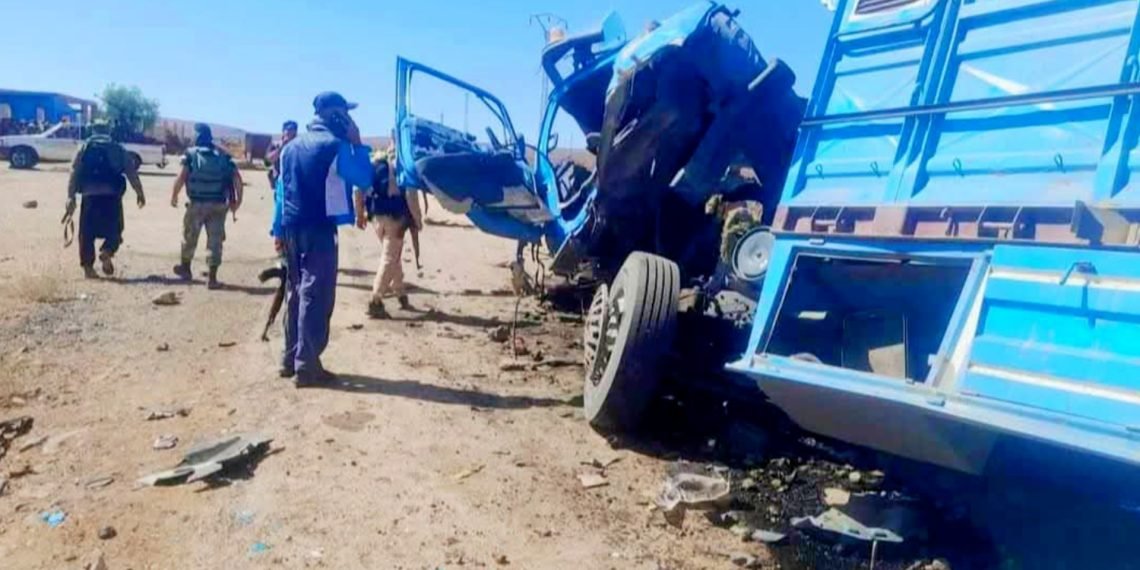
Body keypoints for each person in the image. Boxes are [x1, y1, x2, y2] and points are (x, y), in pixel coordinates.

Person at [275, 92, 372, 386]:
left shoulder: (290, 148)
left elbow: (281, 193)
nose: (350, 120)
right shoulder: (335, 146)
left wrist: (277, 230)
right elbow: (364, 178)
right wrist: (357, 142)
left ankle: (290, 358)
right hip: (320, 228)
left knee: (295, 291)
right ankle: (307, 366)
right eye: (346, 114)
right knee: (316, 294)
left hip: (292, 227)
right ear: (336, 116)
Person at [65, 120, 146, 279]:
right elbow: (131, 172)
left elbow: (74, 172)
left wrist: (70, 196)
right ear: (108, 130)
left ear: (93, 130)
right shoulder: (118, 148)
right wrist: (139, 192)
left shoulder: (84, 148)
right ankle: (107, 250)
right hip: (112, 197)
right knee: (115, 230)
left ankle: (88, 268)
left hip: (89, 196)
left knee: (86, 234)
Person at [170, 124, 244, 289]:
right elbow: (237, 180)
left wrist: (174, 195)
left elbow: (182, 176)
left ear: (197, 136)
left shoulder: (191, 154)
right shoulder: (223, 156)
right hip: (218, 205)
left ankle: (185, 269)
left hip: (196, 203)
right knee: (215, 241)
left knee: (189, 236)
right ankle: (212, 278)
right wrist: (238, 201)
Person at [354, 144, 423, 319]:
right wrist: (417, 220)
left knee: (392, 255)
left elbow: (357, 189)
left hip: (376, 218)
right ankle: (375, 300)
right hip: (396, 219)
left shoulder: (373, 164)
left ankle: (400, 292)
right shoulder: (403, 167)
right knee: (390, 258)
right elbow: (411, 196)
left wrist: (359, 214)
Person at [266, 120, 298, 187]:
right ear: (283, 132)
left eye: (293, 134)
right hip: (279, 181)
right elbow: (267, 162)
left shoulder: (299, 147)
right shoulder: (275, 145)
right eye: (288, 132)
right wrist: (281, 147)